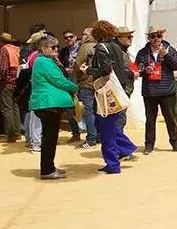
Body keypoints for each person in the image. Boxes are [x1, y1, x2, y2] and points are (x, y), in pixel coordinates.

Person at [88, 20, 138, 174]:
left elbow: (105, 69)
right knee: (108, 126)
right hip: (118, 91)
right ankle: (126, 148)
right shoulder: (117, 48)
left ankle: (113, 164)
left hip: (107, 93)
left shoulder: (102, 48)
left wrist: (89, 70)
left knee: (106, 130)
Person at [29, 34, 78, 180]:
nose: (57, 49)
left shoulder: (45, 60)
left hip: (48, 104)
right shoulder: (44, 62)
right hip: (47, 104)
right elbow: (58, 80)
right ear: (44, 48)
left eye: (57, 46)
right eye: (53, 47)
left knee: (50, 137)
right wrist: (74, 87)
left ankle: (49, 166)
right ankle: (47, 170)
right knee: (49, 138)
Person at [135, 26, 177, 154]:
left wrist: (166, 55)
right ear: (148, 38)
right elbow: (137, 69)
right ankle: (149, 145)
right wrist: (145, 70)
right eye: (153, 36)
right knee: (150, 119)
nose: (156, 38)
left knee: (170, 118)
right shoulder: (142, 53)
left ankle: (175, 143)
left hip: (167, 91)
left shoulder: (170, 50)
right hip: (150, 91)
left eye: (158, 36)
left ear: (162, 37)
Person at [0, 32, 21, 142]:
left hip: (6, 83)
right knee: (15, 107)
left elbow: (3, 69)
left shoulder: (4, 50)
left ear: (1, 41)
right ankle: (17, 131)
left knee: (6, 108)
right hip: (16, 82)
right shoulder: (16, 49)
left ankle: (10, 134)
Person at [73, 28, 99, 149]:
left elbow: (78, 65)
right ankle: (98, 136)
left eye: (84, 34)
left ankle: (91, 138)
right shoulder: (101, 45)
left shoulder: (85, 47)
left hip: (87, 83)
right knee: (98, 111)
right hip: (99, 83)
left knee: (89, 111)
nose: (82, 36)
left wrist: (79, 78)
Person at [59, 30, 83, 142]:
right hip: (69, 80)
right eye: (66, 38)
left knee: (85, 107)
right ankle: (76, 132)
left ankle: (93, 135)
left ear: (75, 37)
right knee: (69, 106)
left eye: (70, 37)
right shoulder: (63, 51)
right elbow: (60, 65)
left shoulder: (82, 48)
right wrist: (65, 69)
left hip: (81, 81)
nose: (68, 39)